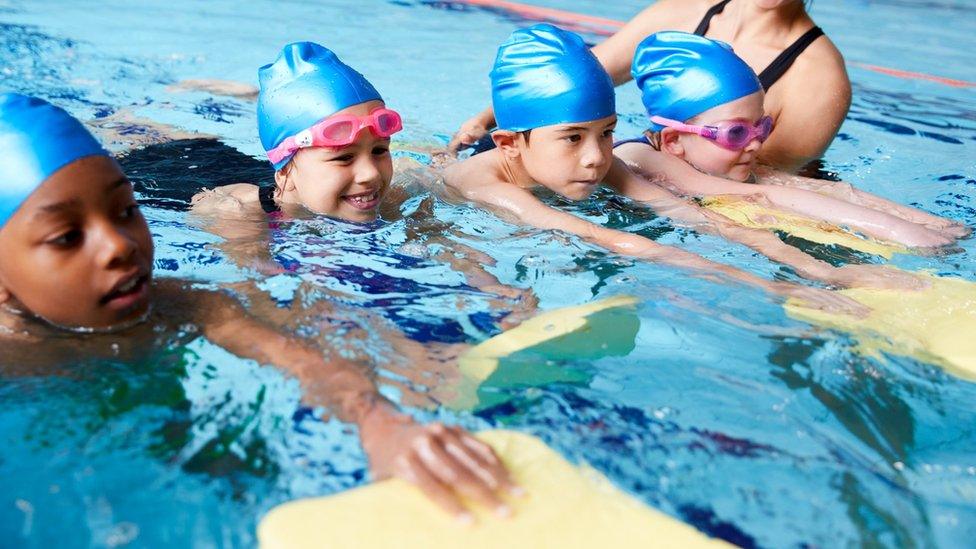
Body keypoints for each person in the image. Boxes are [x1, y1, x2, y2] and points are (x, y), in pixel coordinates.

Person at [0, 93, 518, 522]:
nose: (120, 245)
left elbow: (302, 357)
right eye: (68, 237)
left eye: (126, 211)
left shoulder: (181, 304)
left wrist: (381, 423)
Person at [442, 24, 863, 314]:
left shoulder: (596, 163)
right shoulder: (485, 184)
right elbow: (607, 238)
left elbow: (699, 217)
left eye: (606, 133)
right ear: (510, 144)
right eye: (574, 137)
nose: (596, 156)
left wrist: (824, 271)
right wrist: (774, 288)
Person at [611, 32, 968, 263]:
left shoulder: (718, 161)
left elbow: (797, 187)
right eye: (736, 134)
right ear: (673, 141)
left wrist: (931, 224)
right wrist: (896, 231)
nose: (754, 144)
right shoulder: (639, 157)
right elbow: (758, 199)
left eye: (762, 127)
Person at [450, 0, 851, 172]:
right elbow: (582, 74)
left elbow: (750, 182)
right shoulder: (685, 10)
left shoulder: (818, 77)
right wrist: (485, 119)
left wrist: (636, 159)